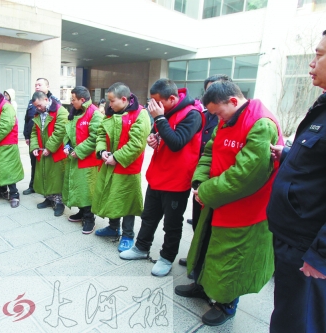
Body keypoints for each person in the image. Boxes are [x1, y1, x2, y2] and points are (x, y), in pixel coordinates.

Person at [175, 81, 282, 326]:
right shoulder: (227, 118)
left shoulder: (261, 124)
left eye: (218, 112)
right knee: (207, 245)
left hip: (243, 207)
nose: (216, 118)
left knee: (232, 258)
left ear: (233, 101)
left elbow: (246, 175)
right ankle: (202, 284)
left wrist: (207, 191)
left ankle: (226, 304)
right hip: (217, 199)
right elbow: (210, 151)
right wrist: (199, 181)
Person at [267, 25, 326, 333]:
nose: (311, 63)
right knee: (288, 316)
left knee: (299, 323)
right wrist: (288, 153)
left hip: (310, 251)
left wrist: (322, 255)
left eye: (319, 55)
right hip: (295, 240)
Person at [119, 79, 204, 277]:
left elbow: (176, 142)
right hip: (157, 175)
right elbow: (161, 133)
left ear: (172, 99)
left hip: (177, 180)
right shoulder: (165, 112)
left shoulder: (193, 114)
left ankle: (166, 258)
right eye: (152, 102)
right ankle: (141, 248)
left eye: (157, 102)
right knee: (148, 217)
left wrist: (159, 119)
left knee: (171, 224)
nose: (153, 106)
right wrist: (153, 137)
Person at [179, 74, 232, 271]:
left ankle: (203, 264)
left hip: (218, 182)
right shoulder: (205, 113)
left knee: (213, 227)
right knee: (198, 223)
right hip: (200, 175)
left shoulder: (227, 117)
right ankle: (197, 257)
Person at [92, 82, 150, 252]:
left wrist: (116, 157)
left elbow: (137, 144)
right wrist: (101, 150)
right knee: (111, 196)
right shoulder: (110, 114)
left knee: (127, 200)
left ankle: (128, 234)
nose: (109, 105)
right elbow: (101, 134)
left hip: (127, 166)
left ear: (124, 99)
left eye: (112, 101)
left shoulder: (140, 114)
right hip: (109, 163)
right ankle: (113, 227)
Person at [62, 86, 103, 234]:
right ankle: (81, 212)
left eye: (73, 99)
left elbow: (95, 137)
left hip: (87, 159)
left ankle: (89, 218)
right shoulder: (74, 112)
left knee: (86, 190)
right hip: (74, 157)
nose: (71, 102)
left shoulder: (95, 114)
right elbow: (68, 131)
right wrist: (66, 145)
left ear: (82, 100)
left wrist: (78, 151)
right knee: (77, 187)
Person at [30, 91, 68, 216]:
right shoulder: (38, 113)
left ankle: (60, 203)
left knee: (57, 177)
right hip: (43, 150)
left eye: (39, 105)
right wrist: (35, 146)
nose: (38, 108)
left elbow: (60, 132)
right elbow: (34, 132)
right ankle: (49, 199)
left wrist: (49, 147)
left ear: (46, 99)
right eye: (36, 106)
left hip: (57, 152)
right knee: (46, 175)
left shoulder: (60, 111)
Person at [23, 78, 60, 195]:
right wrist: (28, 137)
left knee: (51, 171)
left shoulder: (56, 104)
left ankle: (55, 198)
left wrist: (49, 147)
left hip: (51, 145)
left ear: (47, 87)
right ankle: (38, 188)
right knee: (37, 166)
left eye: (40, 84)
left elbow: (59, 130)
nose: (37, 86)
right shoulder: (33, 102)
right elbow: (28, 121)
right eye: (35, 85)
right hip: (37, 141)